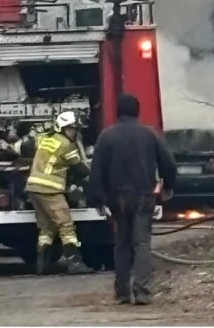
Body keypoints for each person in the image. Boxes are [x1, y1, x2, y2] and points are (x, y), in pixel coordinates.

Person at [87, 93, 177, 306]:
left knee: (122, 244)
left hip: (117, 199)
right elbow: (169, 164)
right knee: (142, 243)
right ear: (138, 111)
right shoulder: (150, 134)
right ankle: (143, 292)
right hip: (143, 196)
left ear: (118, 111)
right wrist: (168, 186)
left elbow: (96, 170)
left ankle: (123, 293)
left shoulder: (107, 136)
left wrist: (96, 199)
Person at [25, 110, 93, 275]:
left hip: (34, 188)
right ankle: (74, 263)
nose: (75, 133)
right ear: (63, 128)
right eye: (73, 129)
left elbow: (27, 147)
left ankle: (42, 264)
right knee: (66, 225)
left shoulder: (44, 139)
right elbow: (80, 170)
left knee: (47, 228)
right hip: (50, 190)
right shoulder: (66, 145)